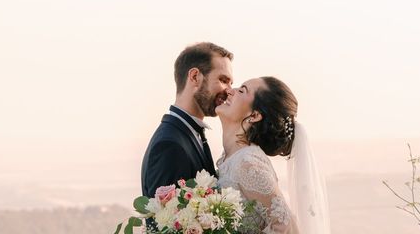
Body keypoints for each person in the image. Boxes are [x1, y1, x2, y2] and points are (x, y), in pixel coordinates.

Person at [216, 76, 330, 234]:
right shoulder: (229, 157)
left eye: (241, 90)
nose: (229, 91)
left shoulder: (247, 163)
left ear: (254, 116)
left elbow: (287, 227)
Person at [141, 42, 234, 198]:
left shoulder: (189, 134)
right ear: (195, 77)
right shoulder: (169, 145)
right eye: (223, 80)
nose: (229, 91)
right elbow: (166, 221)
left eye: (231, 83)